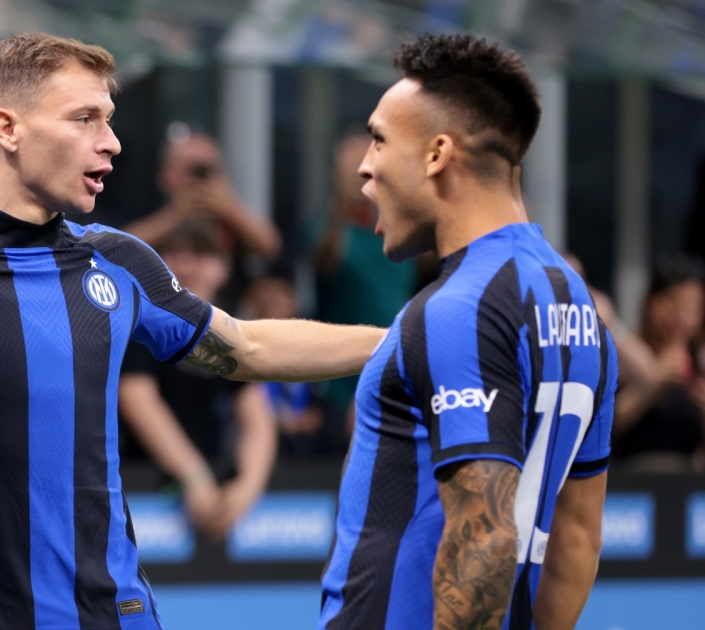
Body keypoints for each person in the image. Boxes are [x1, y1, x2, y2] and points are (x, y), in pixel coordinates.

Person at [0, 33, 383, 630]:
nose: (111, 142)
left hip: (116, 615)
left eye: (107, 119)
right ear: (7, 128)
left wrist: (404, 340)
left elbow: (249, 347)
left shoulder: (120, 260)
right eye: (84, 119)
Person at [319, 35, 618, 630]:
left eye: (380, 140)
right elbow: (578, 539)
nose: (364, 166)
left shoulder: (457, 310)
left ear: (437, 154)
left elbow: (484, 540)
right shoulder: (572, 300)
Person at [118, 224, 277, 540]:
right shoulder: (140, 322)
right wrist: (194, 475)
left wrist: (248, 487)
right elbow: (136, 398)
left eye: (201, 254)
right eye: (174, 254)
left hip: (205, 490)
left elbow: (257, 416)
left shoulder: (230, 330)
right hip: (136, 489)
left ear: (223, 270)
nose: (186, 265)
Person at [311, 132, 417, 435]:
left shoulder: (399, 232)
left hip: (395, 367)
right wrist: (343, 202)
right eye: (354, 168)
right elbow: (325, 258)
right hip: (341, 380)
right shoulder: (327, 232)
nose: (363, 175)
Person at [124, 130, 281, 307]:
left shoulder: (228, 214)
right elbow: (123, 247)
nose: (198, 177)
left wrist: (230, 208)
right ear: (165, 173)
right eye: (189, 168)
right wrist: (175, 215)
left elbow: (270, 246)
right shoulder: (146, 203)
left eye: (206, 169)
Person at [611, 258, 705, 471]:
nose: (683, 317)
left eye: (695, 309)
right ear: (651, 302)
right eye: (674, 303)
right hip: (626, 483)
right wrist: (655, 377)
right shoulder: (625, 357)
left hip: (685, 482)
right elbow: (606, 425)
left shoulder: (699, 364)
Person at [240, 273, 325, 457]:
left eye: (278, 301)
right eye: (265, 301)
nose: (271, 307)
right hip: (255, 441)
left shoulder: (309, 350)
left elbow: (317, 409)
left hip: (306, 448)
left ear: (294, 303)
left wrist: (308, 419)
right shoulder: (239, 348)